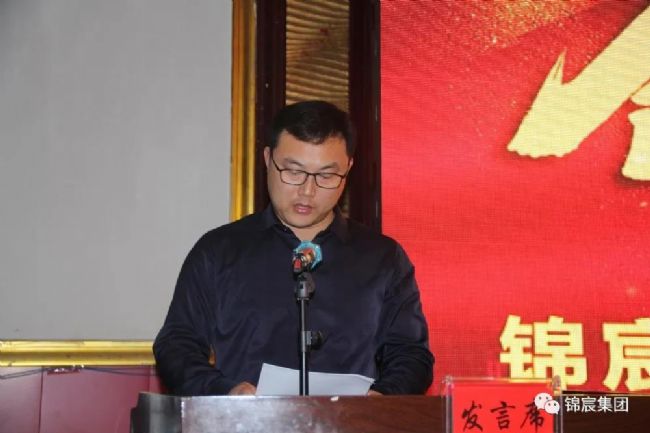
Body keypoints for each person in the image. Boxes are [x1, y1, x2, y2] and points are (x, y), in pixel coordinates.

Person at [154, 100, 433, 396]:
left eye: (326, 175)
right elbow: (177, 344)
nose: (307, 191)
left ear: (348, 168)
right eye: (293, 171)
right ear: (267, 158)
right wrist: (225, 393)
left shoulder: (383, 259)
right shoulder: (218, 251)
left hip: (353, 420)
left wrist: (382, 399)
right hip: (246, 419)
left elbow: (411, 355)